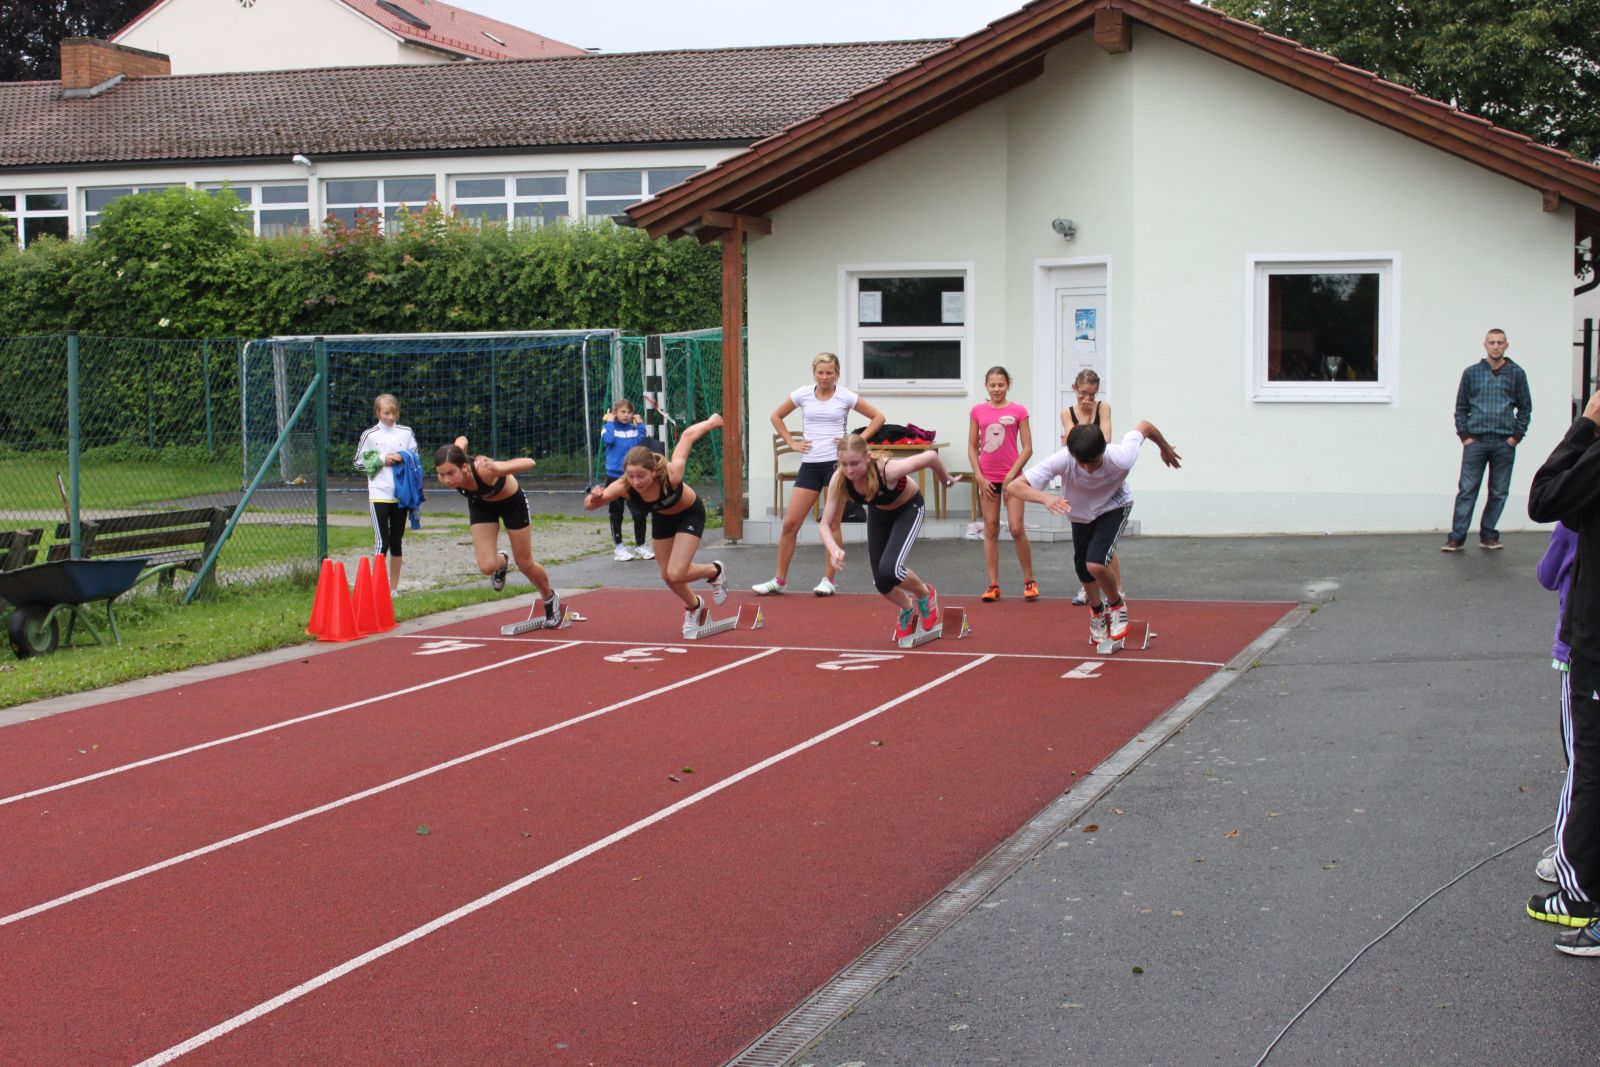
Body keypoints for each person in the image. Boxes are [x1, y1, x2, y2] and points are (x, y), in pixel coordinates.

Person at [1527, 393, 1600, 956]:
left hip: (1593, 644)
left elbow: (1545, 498)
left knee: (1589, 763)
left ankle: (1580, 891)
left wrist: (1585, 428)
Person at [1007, 420, 1181, 646]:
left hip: (1114, 506)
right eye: (1082, 463)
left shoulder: (1121, 456)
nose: (1088, 468)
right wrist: (1046, 498)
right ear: (1072, 454)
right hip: (1080, 514)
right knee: (1082, 569)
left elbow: (1145, 427)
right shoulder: (1063, 459)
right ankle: (1096, 611)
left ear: (1103, 451)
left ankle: (1117, 605)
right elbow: (1014, 486)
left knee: (1096, 563)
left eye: (1094, 462)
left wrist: (1164, 448)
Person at [585, 414, 728, 638]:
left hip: (689, 514)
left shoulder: (671, 475)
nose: (636, 482)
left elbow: (687, 436)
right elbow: (589, 505)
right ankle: (695, 606)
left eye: (641, 476)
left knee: (676, 572)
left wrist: (711, 423)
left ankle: (714, 570)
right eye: (631, 476)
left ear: (653, 471)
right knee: (667, 575)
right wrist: (594, 496)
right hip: (662, 518)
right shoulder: (624, 486)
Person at [754, 352, 884, 597]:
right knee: (790, 523)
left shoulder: (845, 396)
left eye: (829, 373)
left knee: (833, 523)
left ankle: (829, 580)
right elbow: (776, 416)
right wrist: (791, 442)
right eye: (820, 372)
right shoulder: (803, 394)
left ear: (837, 373)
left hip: (836, 466)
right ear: (814, 373)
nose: (824, 377)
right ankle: (779, 580)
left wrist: (856, 441)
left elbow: (878, 418)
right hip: (810, 465)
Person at [818, 432, 955, 643]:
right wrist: (833, 548)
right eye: (844, 464)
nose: (850, 470)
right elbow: (825, 525)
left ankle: (924, 594)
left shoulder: (888, 470)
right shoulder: (839, 479)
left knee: (891, 569)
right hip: (879, 513)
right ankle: (907, 608)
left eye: (855, 463)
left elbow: (931, 457)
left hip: (908, 509)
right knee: (882, 582)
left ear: (867, 457)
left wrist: (946, 480)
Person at [433, 436, 560, 625]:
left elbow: (530, 462)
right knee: (487, 567)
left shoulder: (484, 470)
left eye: (451, 473)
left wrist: (494, 466)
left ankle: (549, 597)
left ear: (465, 467)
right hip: (481, 505)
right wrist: (461, 444)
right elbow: (462, 439)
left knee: (525, 563)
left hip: (512, 504)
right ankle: (502, 562)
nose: (447, 480)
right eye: (441, 475)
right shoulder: (454, 457)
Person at [1444, 328, 1531, 552]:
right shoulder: (1471, 373)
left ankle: (1488, 534)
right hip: (1476, 441)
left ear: (1506, 345)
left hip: (1504, 442)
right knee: (1467, 490)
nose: (1496, 346)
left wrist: (1516, 437)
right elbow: (1461, 407)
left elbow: (1525, 407)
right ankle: (1456, 537)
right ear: (1485, 345)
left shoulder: (1516, 373)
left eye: (1500, 342)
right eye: (1492, 342)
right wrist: (1464, 436)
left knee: (1499, 492)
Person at [967, 365, 1037, 602]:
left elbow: (1027, 448)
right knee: (990, 528)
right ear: (986, 386)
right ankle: (993, 584)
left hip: (1013, 479)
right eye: (992, 385)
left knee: (1016, 528)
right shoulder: (977, 411)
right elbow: (971, 447)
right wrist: (978, 476)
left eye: (1001, 384)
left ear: (1008, 385)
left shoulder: (1019, 411)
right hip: (987, 479)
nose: (997, 389)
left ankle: (1029, 580)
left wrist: (1011, 475)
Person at [1535, 522, 1578, 886]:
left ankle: (1568, 853)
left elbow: (1547, 575)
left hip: (1576, 652)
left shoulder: (1572, 522)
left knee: (1580, 759)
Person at [1060, 369, 1119, 606]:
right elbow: (1074, 444)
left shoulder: (1103, 407)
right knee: (1085, 540)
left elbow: (1105, 440)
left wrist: (1079, 431)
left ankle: (1117, 589)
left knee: (1104, 539)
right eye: (1083, 393)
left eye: (1092, 395)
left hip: (1102, 477)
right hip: (1080, 480)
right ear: (1074, 389)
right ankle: (1088, 588)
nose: (1087, 399)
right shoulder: (1067, 412)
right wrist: (1083, 419)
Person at [353, 393, 418, 595]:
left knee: (397, 541)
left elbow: (415, 459)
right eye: (386, 413)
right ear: (377, 413)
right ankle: (377, 589)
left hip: (401, 494)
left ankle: (393, 589)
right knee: (382, 542)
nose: (390, 417)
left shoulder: (406, 432)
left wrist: (403, 457)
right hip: (379, 493)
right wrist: (382, 459)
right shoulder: (370, 435)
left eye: (394, 413)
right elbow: (358, 463)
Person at [600, 398, 654, 563]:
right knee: (616, 512)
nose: (626, 415)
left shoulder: (634, 429)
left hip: (632, 477)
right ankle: (619, 547)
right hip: (614, 476)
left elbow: (643, 443)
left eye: (629, 412)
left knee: (640, 512)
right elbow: (608, 440)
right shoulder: (608, 428)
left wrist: (641, 424)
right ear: (615, 413)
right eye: (623, 412)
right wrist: (610, 422)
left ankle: (640, 545)